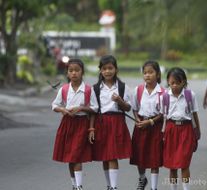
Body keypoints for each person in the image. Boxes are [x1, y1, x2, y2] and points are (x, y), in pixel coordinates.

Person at [52, 58, 98, 190]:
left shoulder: (88, 90)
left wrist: (81, 109)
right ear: (67, 73)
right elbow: (54, 105)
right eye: (71, 70)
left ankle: (79, 186)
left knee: (77, 155)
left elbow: (95, 108)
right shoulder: (64, 89)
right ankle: (74, 184)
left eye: (77, 70)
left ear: (82, 72)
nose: (74, 73)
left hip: (81, 124)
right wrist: (62, 109)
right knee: (70, 157)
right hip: (67, 124)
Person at [88, 55, 132, 190]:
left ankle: (114, 187)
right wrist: (91, 129)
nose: (107, 71)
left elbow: (128, 108)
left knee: (113, 156)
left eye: (110, 68)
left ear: (116, 69)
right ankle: (109, 185)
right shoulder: (95, 89)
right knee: (105, 157)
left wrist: (120, 101)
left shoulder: (123, 87)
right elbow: (93, 110)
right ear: (100, 71)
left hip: (117, 122)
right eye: (104, 68)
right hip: (101, 123)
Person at [161, 67, 201, 190]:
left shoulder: (190, 95)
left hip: (186, 130)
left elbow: (194, 114)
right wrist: (163, 133)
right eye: (172, 83)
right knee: (172, 165)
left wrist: (197, 130)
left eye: (178, 83)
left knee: (184, 163)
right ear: (168, 81)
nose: (175, 86)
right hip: (171, 129)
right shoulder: (165, 96)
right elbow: (164, 117)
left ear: (184, 82)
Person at [130, 60, 165, 190]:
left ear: (158, 74)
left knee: (154, 157)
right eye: (145, 73)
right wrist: (137, 120)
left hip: (155, 127)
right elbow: (134, 108)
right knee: (140, 155)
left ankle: (154, 187)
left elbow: (163, 113)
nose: (147, 75)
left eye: (151, 72)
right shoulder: (138, 90)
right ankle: (142, 178)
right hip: (140, 126)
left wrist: (150, 122)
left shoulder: (163, 92)